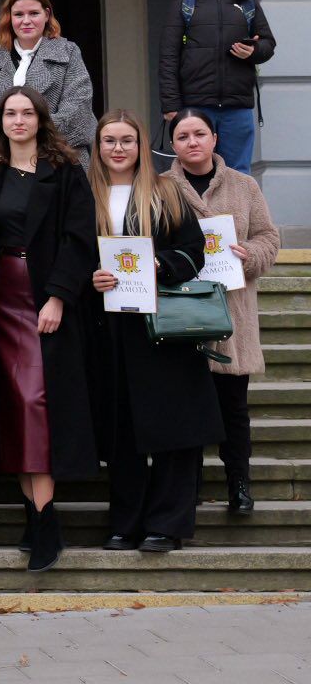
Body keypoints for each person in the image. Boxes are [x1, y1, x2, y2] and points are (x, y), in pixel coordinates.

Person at [0, 86, 100, 574]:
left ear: (41, 119)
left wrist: (58, 297)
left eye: (27, 112)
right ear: (0, 120)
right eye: (11, 113)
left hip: (42, 297)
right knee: (12, 404)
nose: (19, 120)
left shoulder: (65, 172)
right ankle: (34, 514)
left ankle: (47, 521)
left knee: (35, 404)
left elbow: (79, 238)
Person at [89, 109, 223, 553]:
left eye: (127, 140)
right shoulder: (86, 193)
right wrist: (92, 277)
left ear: (142, 146)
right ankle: (126, 522)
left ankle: (166, 524)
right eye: (109, 140)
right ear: (98, 147)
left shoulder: (166, 191)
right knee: (122, 431)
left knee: (173, 426)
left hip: (161, 326)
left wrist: (160, 265)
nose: (118, 148)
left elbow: (194, 251)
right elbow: (70, 252)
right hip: (109, 329)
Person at [165, 108, 281, 515]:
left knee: (233, 406)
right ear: (173, 144)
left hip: (232, 310)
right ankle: (188, 488)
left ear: (214, 138)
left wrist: (251, 255)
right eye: (182, 136)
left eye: (199, 134)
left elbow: (270, 236)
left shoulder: (244, 186)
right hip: (181, 309)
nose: (192, 142)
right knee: (186, 406)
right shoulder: (161, 187)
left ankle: (239, 485)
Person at [159, 0, 275, 172]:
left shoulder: (249, 4)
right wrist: (171, 104)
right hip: (196, 105)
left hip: (237, 105)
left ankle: (237, 210)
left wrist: (253, 51)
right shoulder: (184, 5)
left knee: (238, 172)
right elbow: (168, 57)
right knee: (196, 169)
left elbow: (268, 44)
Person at [0, 0, 98, 157]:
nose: (26, 21)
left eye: (34, 13)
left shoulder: (68, 53)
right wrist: (5, 148)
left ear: (47, 14)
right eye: (19, 14)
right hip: (2, 165)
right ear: (9, 17)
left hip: (60, 163)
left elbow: (78, 111)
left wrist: (30, 143)